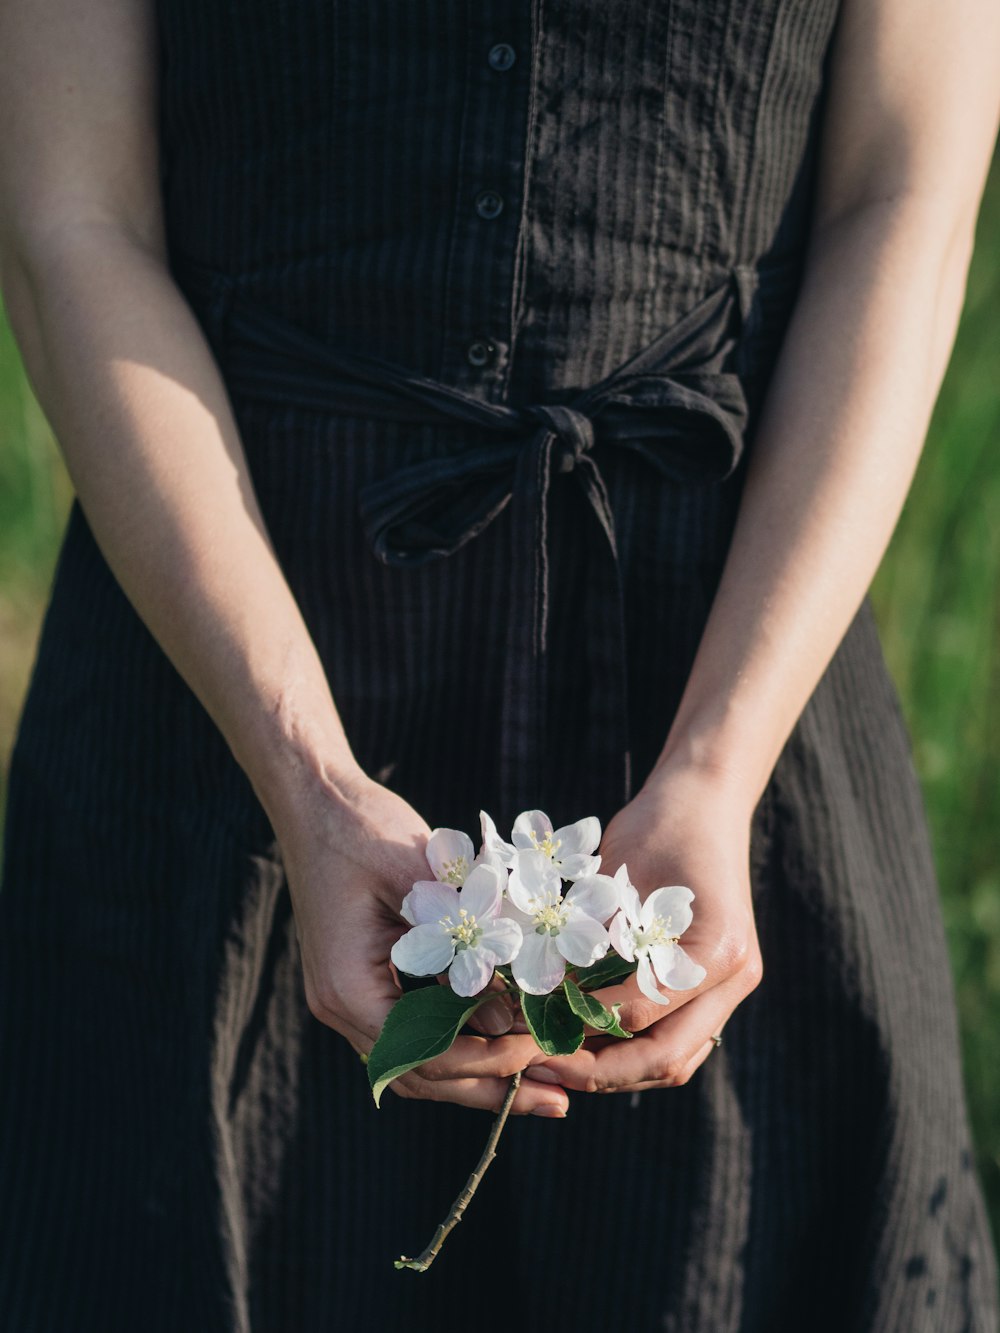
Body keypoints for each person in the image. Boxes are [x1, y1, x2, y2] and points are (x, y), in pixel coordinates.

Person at [0, 0, 998, 1329]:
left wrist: (722, 757)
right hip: (214, 686)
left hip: (735, 687)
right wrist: (300, 767)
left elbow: (907, 199)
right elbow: (72, 219)